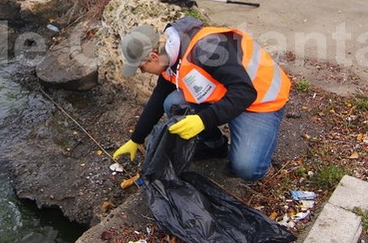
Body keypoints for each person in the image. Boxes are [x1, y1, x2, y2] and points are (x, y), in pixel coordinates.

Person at [112, 17, 291, 181]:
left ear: (152, 57)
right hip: (229, 94)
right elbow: (159, 98)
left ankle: (262, 163)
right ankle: (215, 146)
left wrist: (203, 120)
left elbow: (245, 92)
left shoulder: (207, 49)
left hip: (260, 101)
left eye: (141, 68)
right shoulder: (170, 59)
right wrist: (137, 138)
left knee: (246, 168)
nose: (142, 72)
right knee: (172, 103)